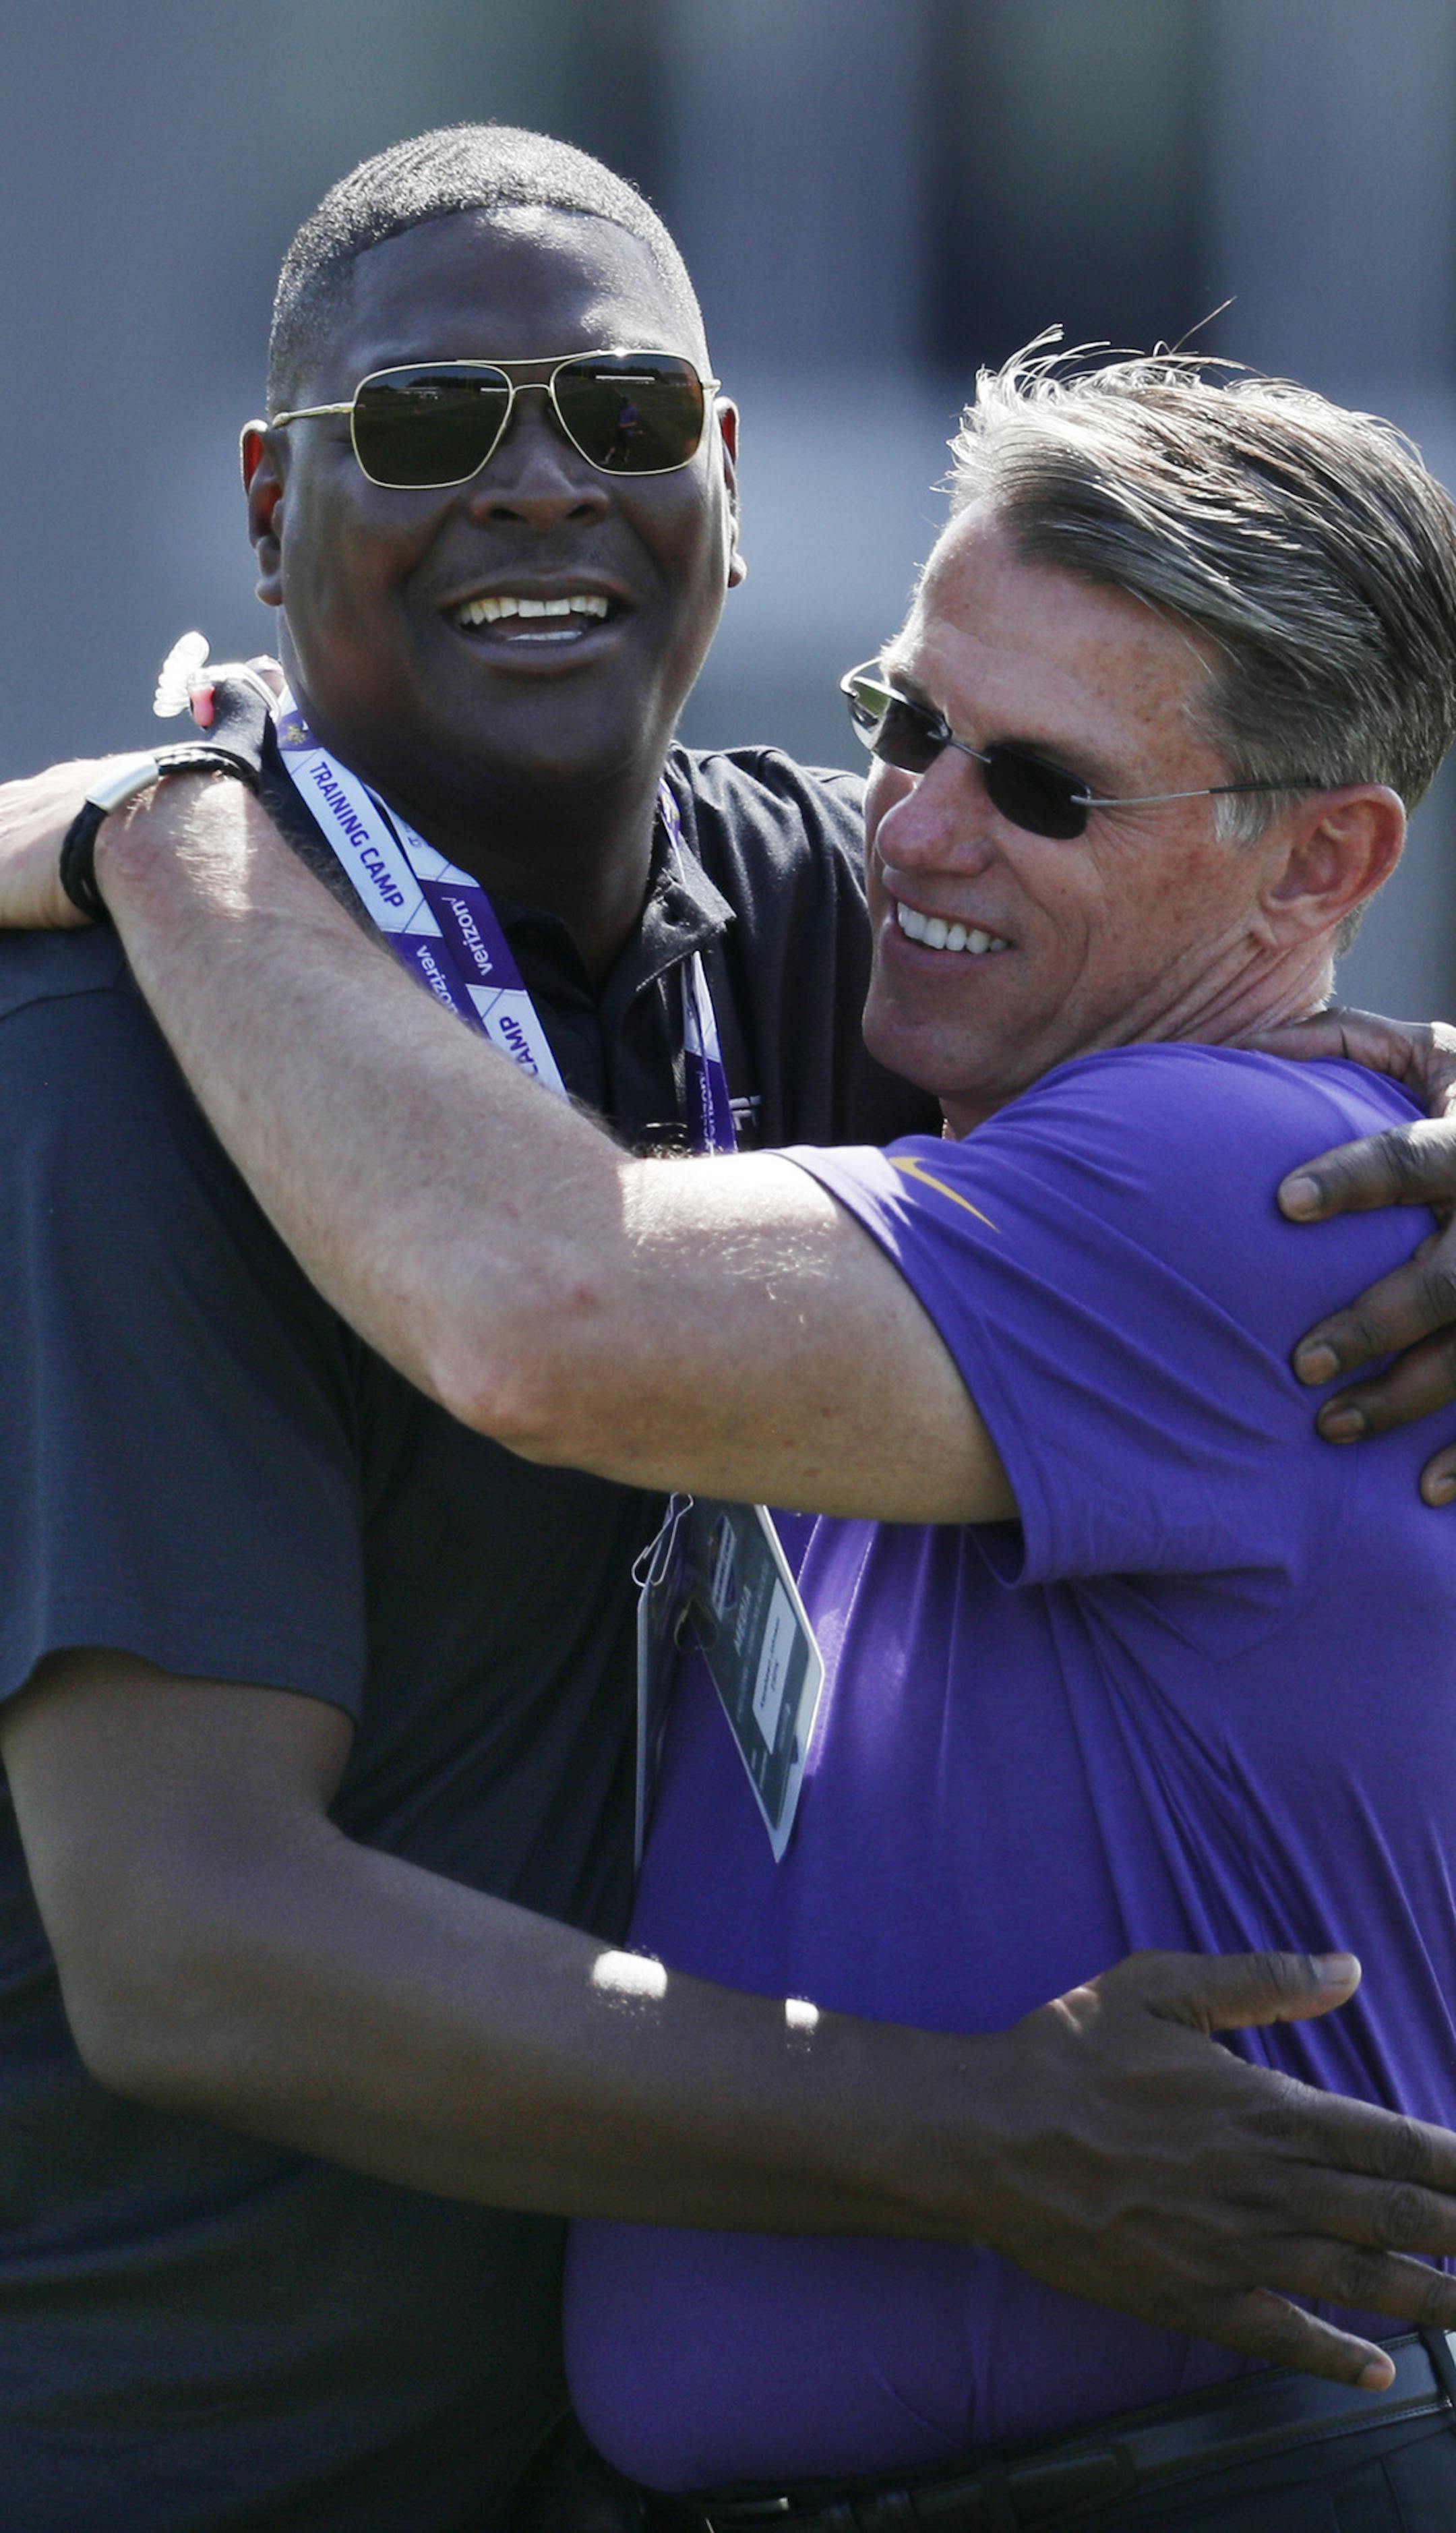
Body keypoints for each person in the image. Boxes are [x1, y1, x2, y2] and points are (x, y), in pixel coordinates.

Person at [7, 136, 1456, 2533]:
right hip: (200, 2461)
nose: (929, 824)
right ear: (272, 495)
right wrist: (977, 2137)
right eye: (440, 423)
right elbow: (186, 1946)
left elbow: (565, 1293)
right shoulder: (125, 1040)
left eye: (628, 413)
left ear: (733, 481)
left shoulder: (826, 939)